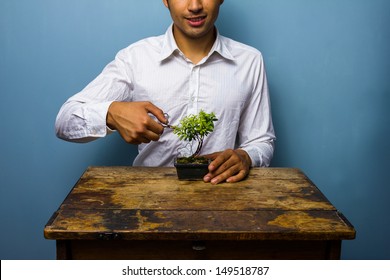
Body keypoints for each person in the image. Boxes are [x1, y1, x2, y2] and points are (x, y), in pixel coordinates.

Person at [55, 0, 276, 184]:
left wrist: (246, 156)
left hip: (223, 198)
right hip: (148, 200)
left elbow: (262, 141)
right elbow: (65, 121)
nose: (195, 6)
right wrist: (111, 114)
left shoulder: (249, 61)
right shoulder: (135, 59)